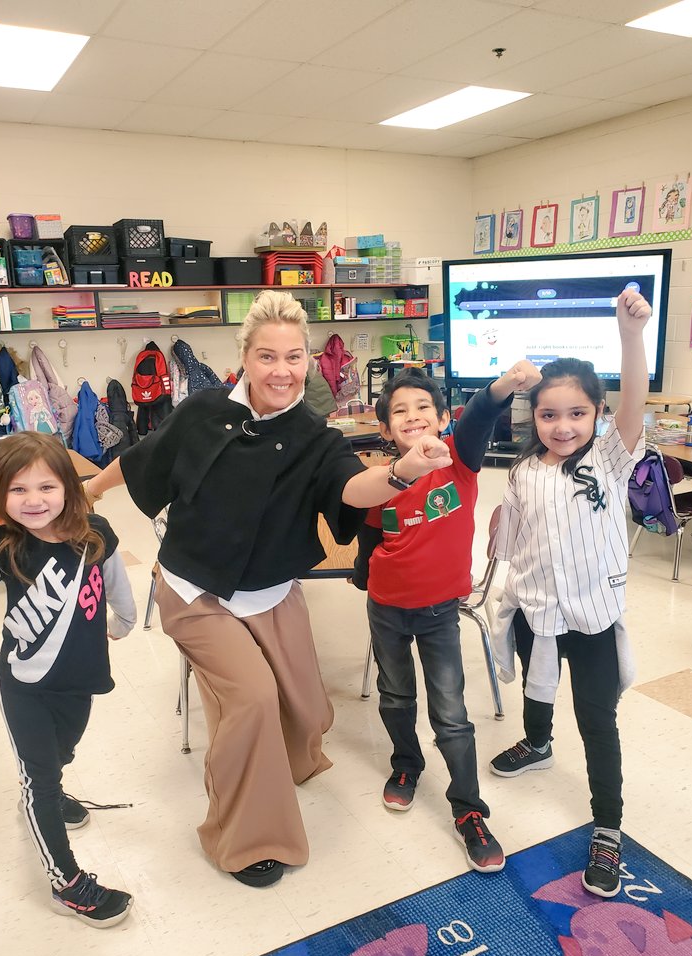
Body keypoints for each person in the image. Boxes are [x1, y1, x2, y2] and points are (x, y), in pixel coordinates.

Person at [83, 290, 453, 889]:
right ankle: (243, 834)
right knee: (251, 697)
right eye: (266, 357)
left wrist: (403, 471)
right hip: (194, 588)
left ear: (308, 361)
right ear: (245, 359)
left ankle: (281, 757)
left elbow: (352, 489)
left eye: (293, 357)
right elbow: (142, 456)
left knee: (305, 705)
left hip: (269, 591)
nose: (281, 371)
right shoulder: (203, 409)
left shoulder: (315, 434)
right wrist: (91, 492)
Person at [489, 288, 651, 899]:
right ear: (533, 417)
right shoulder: (525, 470)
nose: (562, 426)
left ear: (598, 414)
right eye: (549, 415)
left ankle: (607, 827)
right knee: (537, 685)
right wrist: (496, 537)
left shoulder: (610, 460)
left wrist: (630, 336)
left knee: (595, 717)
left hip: (593, 618)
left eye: (576, 414)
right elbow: (517, 528)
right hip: (537, 606)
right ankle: (536, 741)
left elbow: (634, 400)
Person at [0, 433, 137, 927]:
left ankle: (50, 784)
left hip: (82, 678)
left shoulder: (95, 533)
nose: (33, 500)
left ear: (69, 487)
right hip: (24, 684)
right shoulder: (3, 545)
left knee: (64, 752)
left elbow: (115, 583)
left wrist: (124, 623)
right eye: (18, 490)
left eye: (45, 487)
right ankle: (66, 883)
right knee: (39, 780)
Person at [351, 362, 541, 873]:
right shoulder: (383, 478)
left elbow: (480, 413)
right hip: (387, 609)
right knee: (395, 697)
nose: (412, 417)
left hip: (439, 613)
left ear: (440, 419)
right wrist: (364, 576)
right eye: (399, 412)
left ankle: (468, 810)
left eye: (422, 408)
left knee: (452, 715)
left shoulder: (459, 458)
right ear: (387, 430)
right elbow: (371, 535)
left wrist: (503, 384)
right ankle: (406, 765)